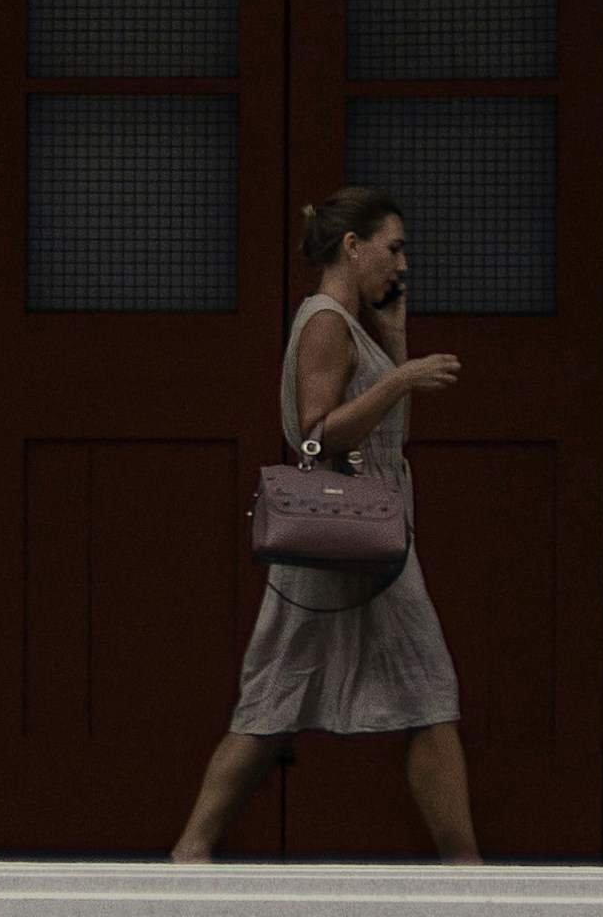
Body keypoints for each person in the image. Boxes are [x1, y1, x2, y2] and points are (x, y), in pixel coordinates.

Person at [172, 186, 480, 863]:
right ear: (353, 246)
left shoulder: (350, 326)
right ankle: (466, 867)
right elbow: (316, 437)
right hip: (349, 534)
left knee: (277, 691)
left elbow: (384, 437)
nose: (401, 263)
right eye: (393, 247)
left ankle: (192, 850)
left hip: (358, 532)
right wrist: (401, 378)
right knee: (426, 689)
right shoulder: (325, 324)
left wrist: (396, 343)